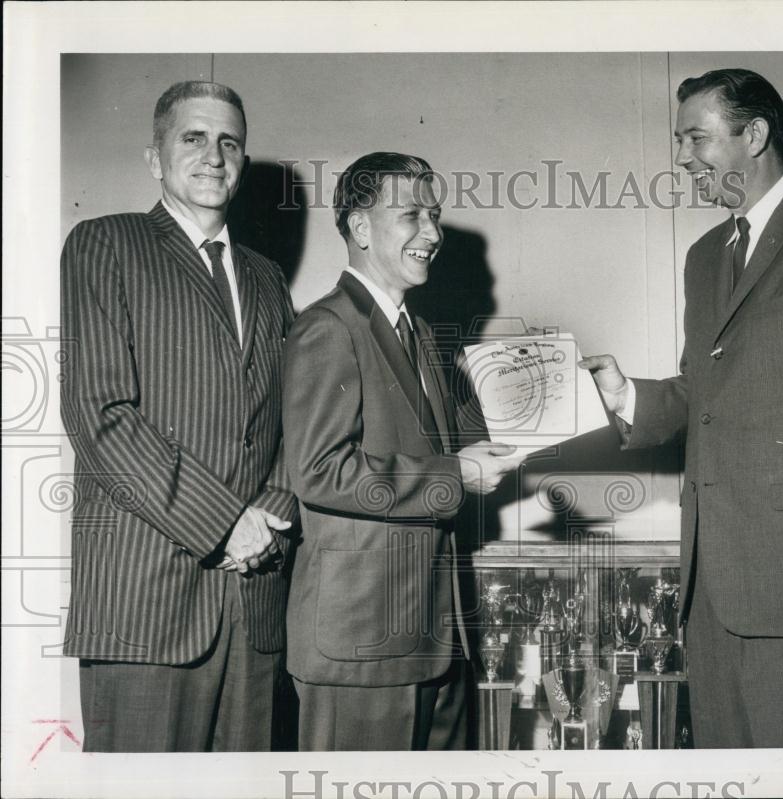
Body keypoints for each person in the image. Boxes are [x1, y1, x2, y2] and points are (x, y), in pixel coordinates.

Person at [581, 68, 783, 748]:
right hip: (713, 594)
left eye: (697, 138)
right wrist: (626, 395)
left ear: (754, 135)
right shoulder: (704, 256)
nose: (684, 158)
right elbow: (705, 396)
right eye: (680, 140)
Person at [60, 81, 297, 752]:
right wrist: (226, 522)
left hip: (254, 606)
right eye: (193, 137)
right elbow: (101, 414)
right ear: (154, 157)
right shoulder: (104, 245)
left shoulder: (268, 277)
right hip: (145, 605)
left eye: (229, 142)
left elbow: (295, 418)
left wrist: (268, 518)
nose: (214, 155)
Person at [282, 152, 520, 751]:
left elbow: (458, 448)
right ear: (360, 229)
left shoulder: (418, 334)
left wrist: (556, 401)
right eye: (411, 214)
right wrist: (456, 474)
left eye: (434, 215)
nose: (434, 234)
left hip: (435, 640)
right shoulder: (328, 327)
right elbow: (318, 472)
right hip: (359, 646)